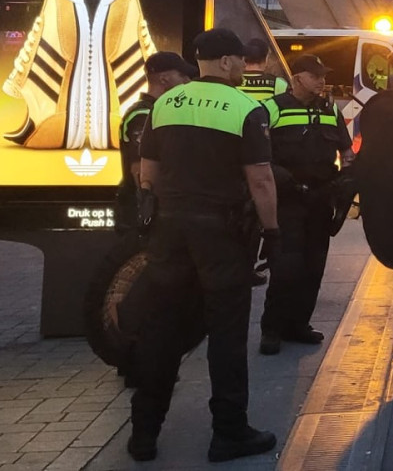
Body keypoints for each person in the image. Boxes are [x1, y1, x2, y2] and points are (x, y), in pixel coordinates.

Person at [129, 28, 280, 463]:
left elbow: (148, 173)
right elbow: (260, 179)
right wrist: (272, 232)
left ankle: (144, 432)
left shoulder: (165, 105)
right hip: (223, 237)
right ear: (230, 62)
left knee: (162, 329)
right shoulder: (245, 108)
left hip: (170, 232)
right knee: (227, 335)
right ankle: (229, 432)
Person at [258, 53, 353, 355]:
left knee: (313, 267)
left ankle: (298, 325)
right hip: (288, 201)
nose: (323, 82)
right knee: (286, 267)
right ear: (297, 78)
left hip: (320, 199)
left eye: (324, 76)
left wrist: (346, 184)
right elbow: (259, 157)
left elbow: (346, 151)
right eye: (316, 76)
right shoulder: (271, 109)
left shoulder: (329, 110)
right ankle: (272, 329)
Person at [116, 52, 196, 236]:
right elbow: (140, 170)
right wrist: (149, 212)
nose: (187, 81)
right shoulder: (142, 115)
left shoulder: (160, 111)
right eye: (182, 76)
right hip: (141, 215)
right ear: (164, 79)